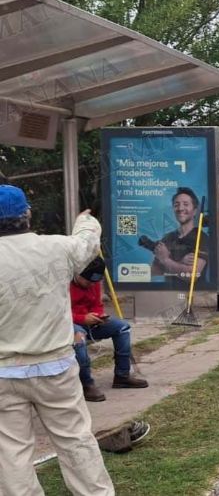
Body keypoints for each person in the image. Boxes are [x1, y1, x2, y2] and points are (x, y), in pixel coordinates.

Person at [0, 185, 115, 495]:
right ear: (27, 215)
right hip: (55, 367)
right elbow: (87, 243)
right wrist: (85, 220)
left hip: (3, 373)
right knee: (75, 439)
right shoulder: (56, 248)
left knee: (11, 453)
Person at [71, 256, 149, 402]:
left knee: (122, 327)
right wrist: (82, 319)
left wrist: (100, 315)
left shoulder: (93, 282)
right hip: (69, 324)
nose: (91, 285)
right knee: (78, 337)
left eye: (94, 282)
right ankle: (86, 384)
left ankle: (122, 376)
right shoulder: (62, 284)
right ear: (77, 272)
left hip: (91, 321)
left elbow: (96, 303)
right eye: (87, 281)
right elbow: (57, 313)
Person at [150, 187, 209, 285]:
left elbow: (192, 275)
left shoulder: (201, 238)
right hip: (167, 293)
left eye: (186, 204)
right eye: (176, 205)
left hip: (195, 295)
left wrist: (165, 260)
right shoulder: (167, 238)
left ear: (194, 210)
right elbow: (154, 271)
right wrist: (180, 263)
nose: (180, 208)